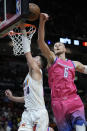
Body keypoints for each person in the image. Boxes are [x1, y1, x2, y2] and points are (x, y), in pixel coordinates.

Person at [37, 13, 87, 131]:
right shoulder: (52, 59)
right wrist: (42, 22)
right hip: (58, 103)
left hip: (73, 99)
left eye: (60, 45)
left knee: (81, 126)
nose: (57, 46)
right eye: (55, 45)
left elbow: (85, 68)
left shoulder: (74, 64)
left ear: (65, 49)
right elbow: (40, 42)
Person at [5, 27, 49, 131]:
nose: (32, 58)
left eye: (35, 58)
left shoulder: (38, 72)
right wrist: (12, 98)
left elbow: (27, 53)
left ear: (38, 64)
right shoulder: (27, 78)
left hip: (39, 114)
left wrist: (23, 30)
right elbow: (27, 98)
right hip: (28, 113)